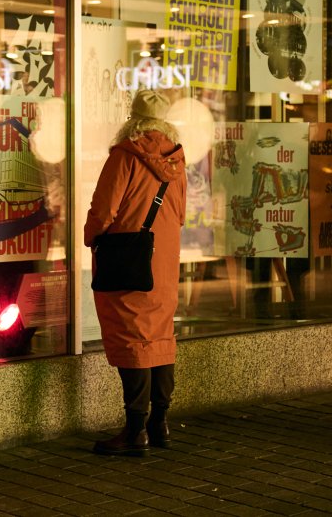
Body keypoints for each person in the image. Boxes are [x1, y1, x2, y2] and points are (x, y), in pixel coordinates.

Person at [84, 89, 187, 456]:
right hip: (164, 258)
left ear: (133, 120)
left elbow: (104, 208)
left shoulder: (124, 156)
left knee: (132, 337)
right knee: (160, 335)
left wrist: (90, 238)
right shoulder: (177, 160)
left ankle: (134, 430)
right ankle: (160, 424)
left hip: (129, 255)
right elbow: (181, 213)